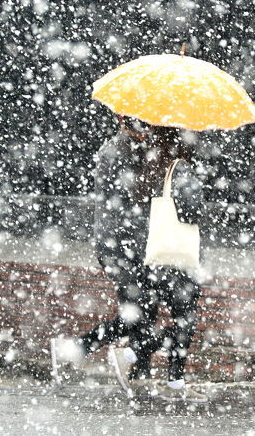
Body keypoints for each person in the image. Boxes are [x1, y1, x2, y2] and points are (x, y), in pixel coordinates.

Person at [51, 118, 206, 403]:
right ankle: (126, 359)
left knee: (142, 314)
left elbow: (138, 201)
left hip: (141, 249)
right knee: (153, 315)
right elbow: (186, 210)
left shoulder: (145, 155)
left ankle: (133, 368)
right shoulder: (124, 152)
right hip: (133, 249)